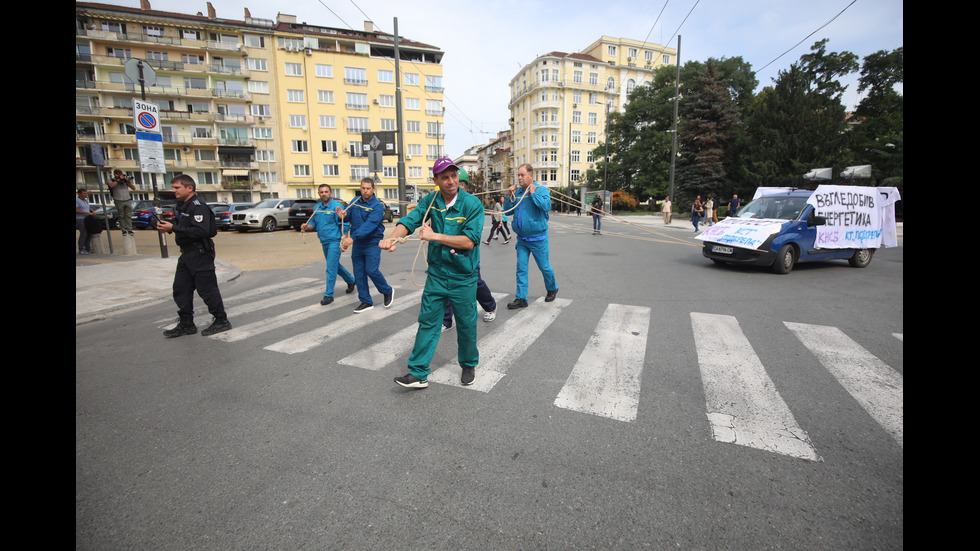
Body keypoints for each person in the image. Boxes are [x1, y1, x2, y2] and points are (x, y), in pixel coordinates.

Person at [379, 158, 485, 389]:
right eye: (444, 177)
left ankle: (468, 364)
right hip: (437, 274)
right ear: (435, 180)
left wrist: (434, 236)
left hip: (463, 276)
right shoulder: (431, 201)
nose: (451, 181)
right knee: (428, 322)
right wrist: (393, 237)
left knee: (466, 324)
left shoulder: (472, 205)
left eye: (454, 176)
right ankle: (418, 372)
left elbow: (469, 241)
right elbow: (410, 220)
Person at [155, 174, 232, 337]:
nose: (173, 190)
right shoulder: (183, 206)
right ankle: (186, 323)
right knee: (180, 289)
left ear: (189, 188)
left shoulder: (198, 207)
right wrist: (169, 227)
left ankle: (221, 320)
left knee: (207, 289)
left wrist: (174, 229)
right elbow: (184, 227)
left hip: (200, 253)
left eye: (177, 187)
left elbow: (202, 231)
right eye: (173, 187)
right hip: (186, 254)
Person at [503, 164, 559, 309]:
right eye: (518, 175)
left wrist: (534, 193)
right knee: (521, 268)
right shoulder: (519, 192)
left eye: (522, 175)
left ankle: (552, 288)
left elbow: (546, 206)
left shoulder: (541, 190)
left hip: (538, 239)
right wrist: (509, 197)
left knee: (544, 267)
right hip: (522, 240)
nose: (519, 178)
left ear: (531, 176)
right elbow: (507, 212)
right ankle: (521, 298)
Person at [447, 169, 496, 329]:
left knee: (475, 283)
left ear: (462, 185)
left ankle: (490, 306)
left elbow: (471, 237)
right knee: (446, 284)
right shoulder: (447, 203)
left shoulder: (472, 205)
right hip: (448, 254)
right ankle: (446, 320)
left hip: (467, 256)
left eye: (455, 182)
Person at [340, 178, 393, 313]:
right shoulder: (355, 201)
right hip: (358, 243)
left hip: (372, 242)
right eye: (363, 188)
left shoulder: (376, 206)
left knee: (371, 270)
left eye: (368, 188)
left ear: (373, 189)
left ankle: (387, 290)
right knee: (359, 273)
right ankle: (366, 301)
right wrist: (343, 215)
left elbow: (369, 226)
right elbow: (347, 217)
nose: (365, 191)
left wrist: (352, 238)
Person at [302, 184, 356, 305]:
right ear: (319, 193)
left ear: (331, 193)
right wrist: (306, 227)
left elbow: (345, 223)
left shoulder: (337, 207)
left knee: (331, 267)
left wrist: (345, 239)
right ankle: (351, 280)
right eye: (321, 192)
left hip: (335, 241)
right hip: (324, 241)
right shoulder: (317, 207)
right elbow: (313, 224)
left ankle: (329, 295)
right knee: (334, 265)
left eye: (326, 191)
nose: (324, 194)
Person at [108, 169, 137, 235]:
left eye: (120, 173)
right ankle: (123, 230)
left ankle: (130, 229)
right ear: (115, 174)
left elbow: (133, 188)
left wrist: (128, 181)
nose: (120, 175)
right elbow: (111, 185)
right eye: (118, 174)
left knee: (128, 215)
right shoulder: (111, 180)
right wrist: (118, 180)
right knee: (121, 215)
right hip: (118, 200)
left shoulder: (125, 181)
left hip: (127, 199)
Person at [76, 188, 96, 254]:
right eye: (84, 193)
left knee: (88, 233)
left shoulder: (85, 200)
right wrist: (88, 213)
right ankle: (81, 249)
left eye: (86, 193)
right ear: (79, 194)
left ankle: (88, 248)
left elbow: (87, 207)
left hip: (87, 219)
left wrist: (92, 210)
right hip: (80, 219)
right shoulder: (77, 200)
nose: (86, 195)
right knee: (84, 233)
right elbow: (77, 210)